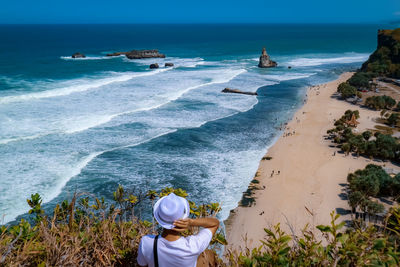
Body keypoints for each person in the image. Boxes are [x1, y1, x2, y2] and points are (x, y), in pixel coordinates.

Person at [137, 193, 219, 267]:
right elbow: (215, 223)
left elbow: (142, 265)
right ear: (183, 218)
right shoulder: (193, 246)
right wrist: (192, 222)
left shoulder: (146, 243)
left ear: (160, 219)